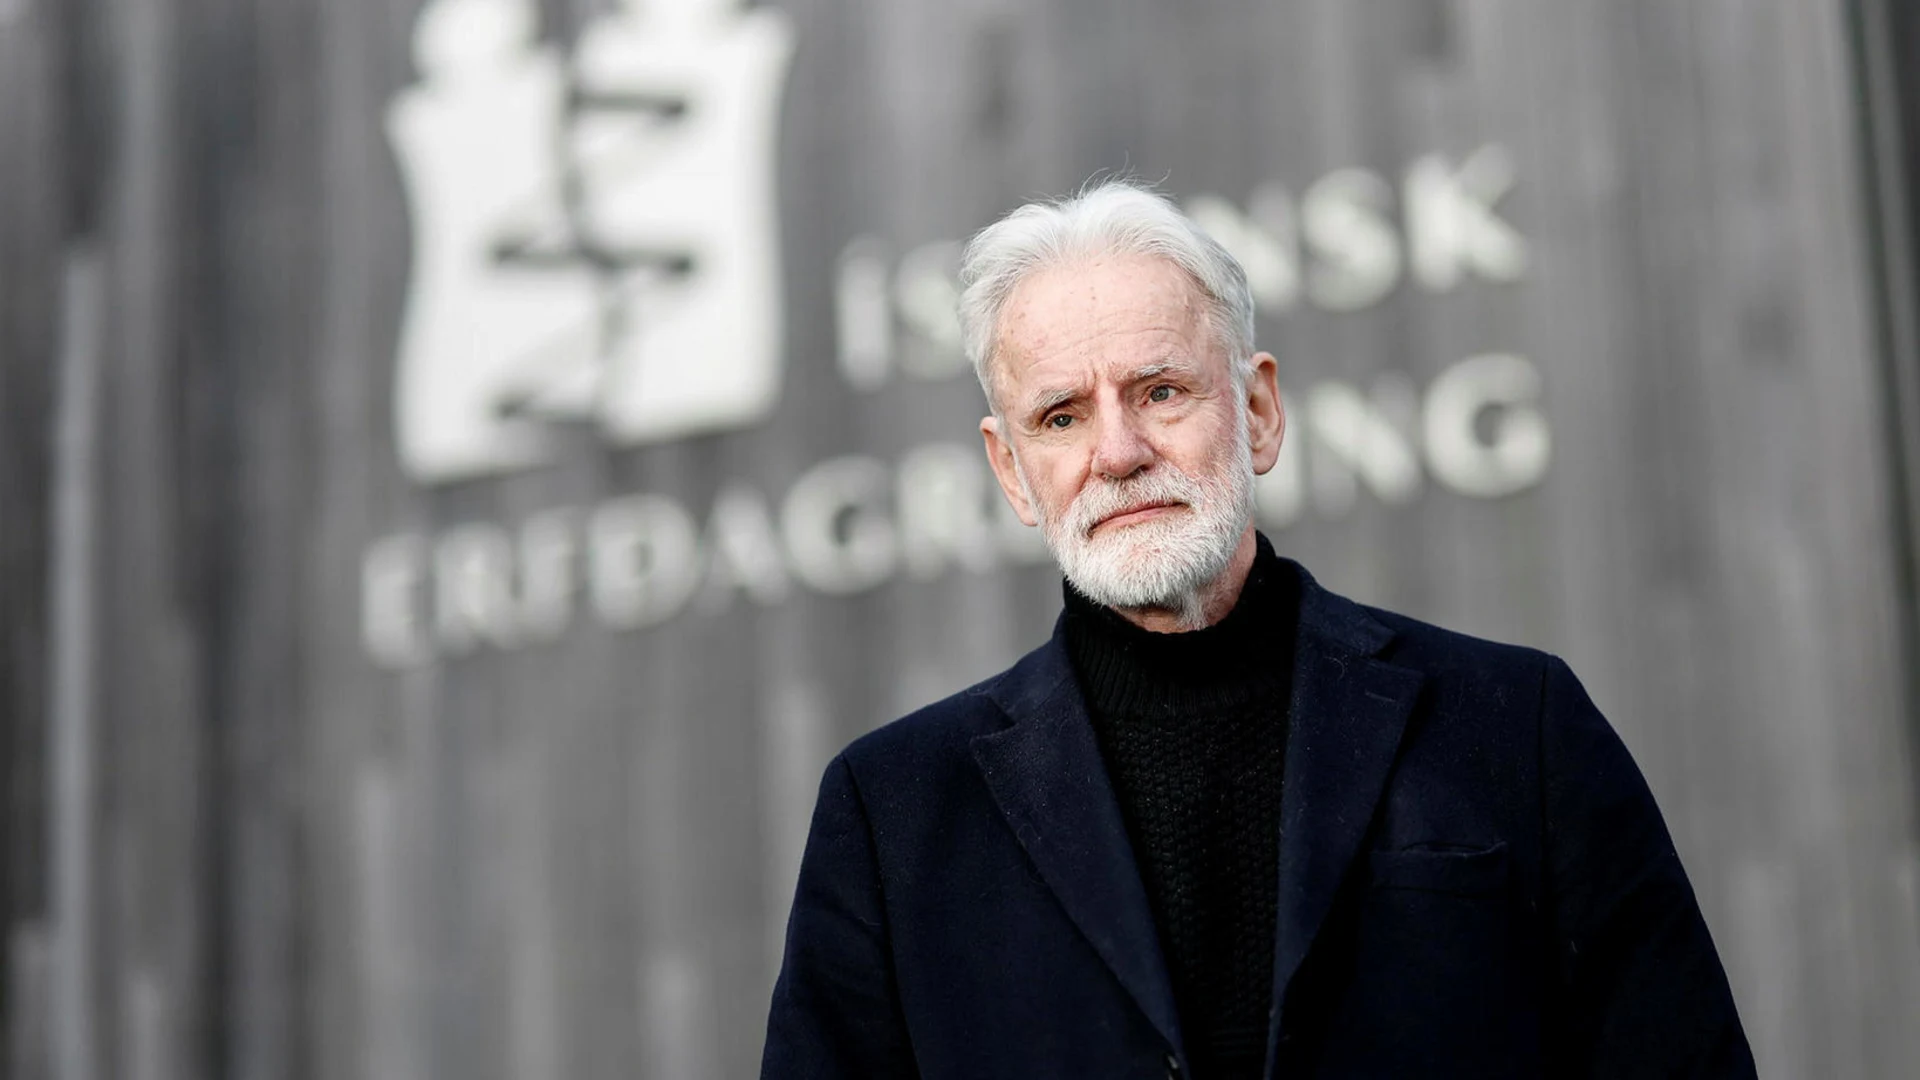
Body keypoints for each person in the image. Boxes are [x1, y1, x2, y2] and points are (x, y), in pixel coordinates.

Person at [761, 181, 1755, 1079]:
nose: (1119, 451)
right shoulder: (893, 815)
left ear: (1260, 410)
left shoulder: (1514, 726)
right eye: (1061, 417)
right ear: (1012, 472)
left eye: (1160, 392)